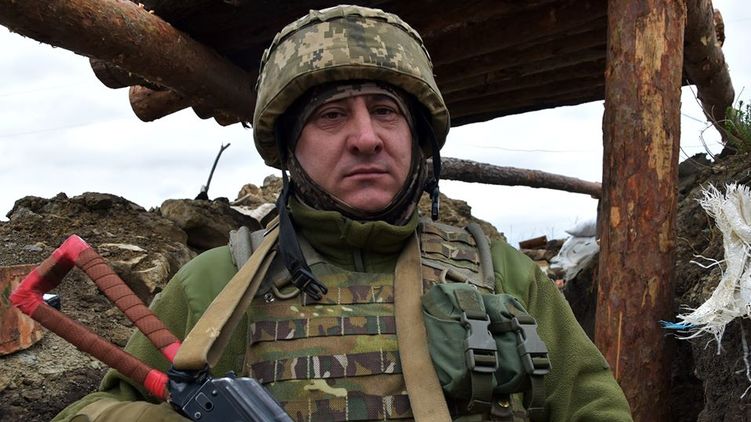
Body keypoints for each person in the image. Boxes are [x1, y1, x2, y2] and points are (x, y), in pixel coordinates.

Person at [54, 5, 631, 421]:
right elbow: (93, 409)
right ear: (291, 149)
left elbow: (595, 407)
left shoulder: (502, 273)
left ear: (417, 139)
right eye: (331, 116)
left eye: (385, 111)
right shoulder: (217, 284)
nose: (366, 138)